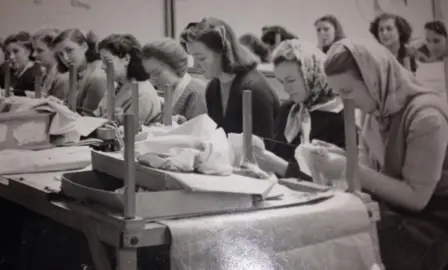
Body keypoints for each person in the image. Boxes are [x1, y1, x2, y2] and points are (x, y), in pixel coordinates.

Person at [314, 38, 448, 269]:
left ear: (373, 78)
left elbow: (416, 198)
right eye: (338, 93)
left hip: (434, 220)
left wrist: (350, 167)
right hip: (399, 214)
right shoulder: (373, 109)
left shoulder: (426, 116)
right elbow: (368, 172)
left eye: (347, 91)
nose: (344, 101)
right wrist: (342, 159)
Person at [255, 39, 345, 179]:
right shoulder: (289, 111)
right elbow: (278, 157)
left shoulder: (339, 116)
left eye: (290, 81)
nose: (285, 89)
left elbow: (332, 180)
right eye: (281, 82)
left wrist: (279, 166)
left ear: (311, 74)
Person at [191, 17, 280, 142]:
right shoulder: (213, 87)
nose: (196, 66)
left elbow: (262, 150)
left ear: (223, 52)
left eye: (201, 58)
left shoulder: (254, 89)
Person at [95, 34, 161, 125]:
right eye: (102, 61)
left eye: (107, 61)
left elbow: (129, 132)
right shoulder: (116, 85)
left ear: (126, 59)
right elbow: (98, 114)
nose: (102, 67)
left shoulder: (143, 94)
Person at [142, 38, 206, 121]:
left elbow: (198, 130)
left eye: (157, 73)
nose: (152, 81)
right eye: (148, 75)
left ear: (174, 65)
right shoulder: (169, 91)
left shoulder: (197, 92)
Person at [53, 28, 106, 115]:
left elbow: (88, 118)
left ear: (85, 46)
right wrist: (57, 104)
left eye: (69, 50)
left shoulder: (97, 76)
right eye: (60, 54)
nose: (65, 58)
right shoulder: (76, 72)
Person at [32, 28, 68, 99]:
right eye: (34, 50)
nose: (34, 54)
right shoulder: (44, 72)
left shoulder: (62, 77)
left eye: (39, 50)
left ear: (55, 50)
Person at [4, 31, 39, 96]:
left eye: (16, 51)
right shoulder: (14, 72)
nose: (11, 57)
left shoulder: (35, 73)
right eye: (8, 53)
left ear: (28, 51)